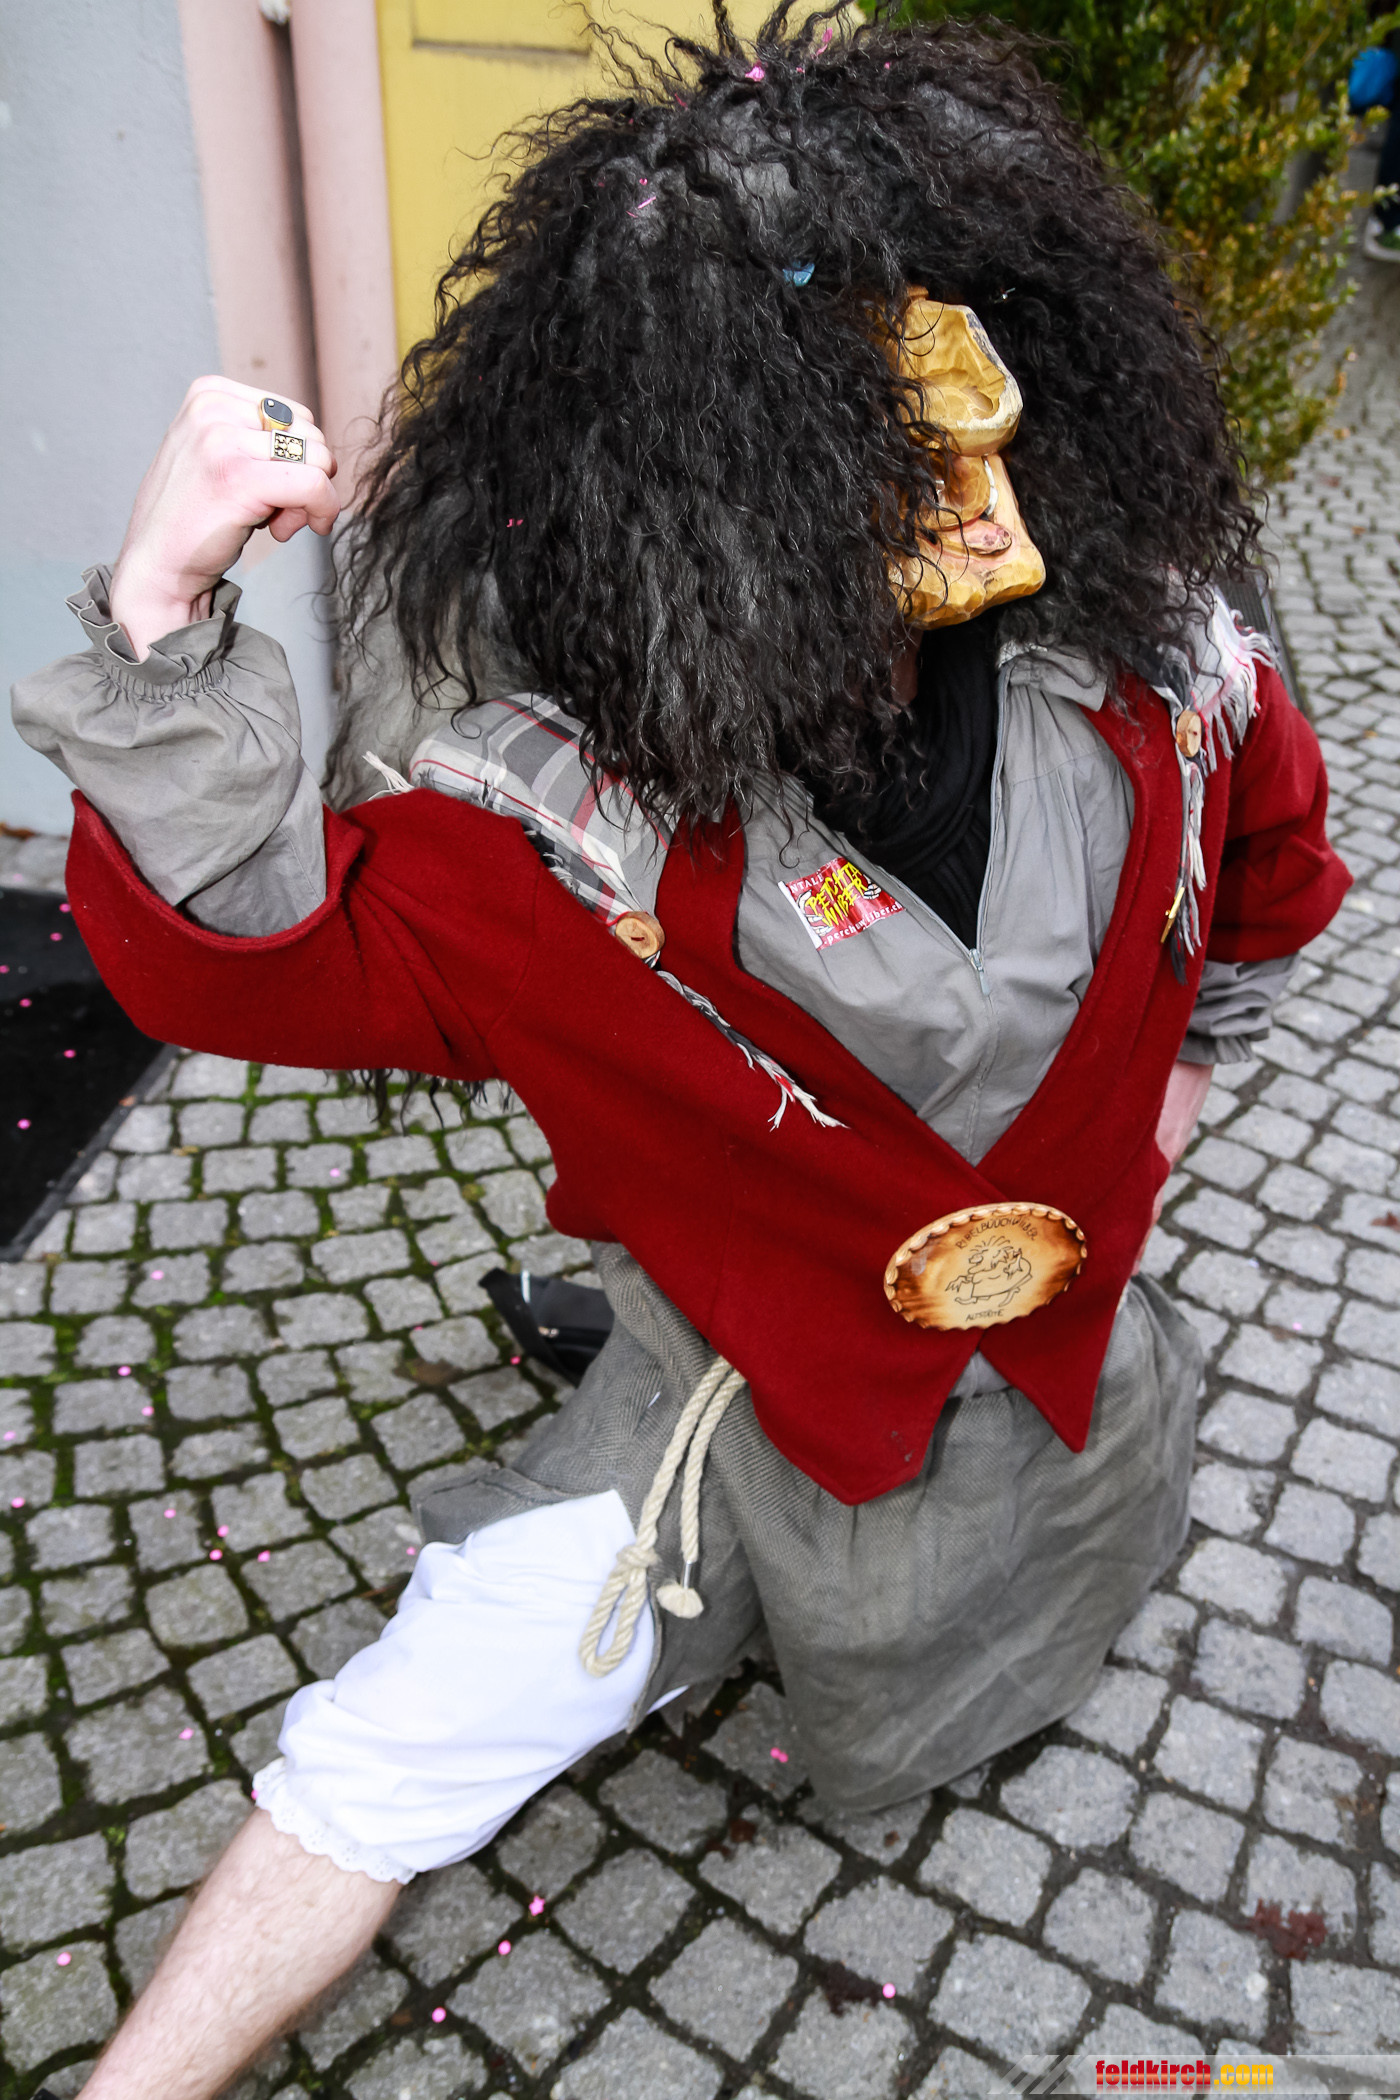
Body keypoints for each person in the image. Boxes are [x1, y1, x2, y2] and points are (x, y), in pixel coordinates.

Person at [12, 12, 1349, 2098]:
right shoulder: (543, 830)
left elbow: (1265, 885)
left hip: (1058, 1345)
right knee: (395, 1747)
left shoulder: (1174, 674)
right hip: (746, 1371)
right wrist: (165, 622)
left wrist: (1164, 1110)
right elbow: (245, 972)